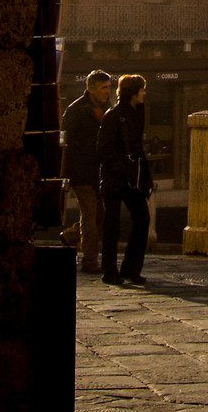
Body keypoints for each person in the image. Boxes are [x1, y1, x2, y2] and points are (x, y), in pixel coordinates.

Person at [98, 72, 154, 287]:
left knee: (142, 219)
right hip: (114, 177)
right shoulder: (113, 115)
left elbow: (138, 147)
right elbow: (103, 148)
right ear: (133, 93)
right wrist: (121, 165)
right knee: (112, 225)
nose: (144, 93)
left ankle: (131, 268)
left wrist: (145, 176)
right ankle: (109, 271)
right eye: (142, 90)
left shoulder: (137, 113)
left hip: (133, 178)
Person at [60, 67, 113, 272]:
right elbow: (67, 141)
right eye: (103, 88)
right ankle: (90, 261)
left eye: (108, 87)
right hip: (81, 171)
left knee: (100, 215)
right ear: (92, 89)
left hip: (98, 172)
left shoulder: (108, 108)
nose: (107, 91)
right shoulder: (76, 110)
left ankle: (70, 236)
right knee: (90, 217)